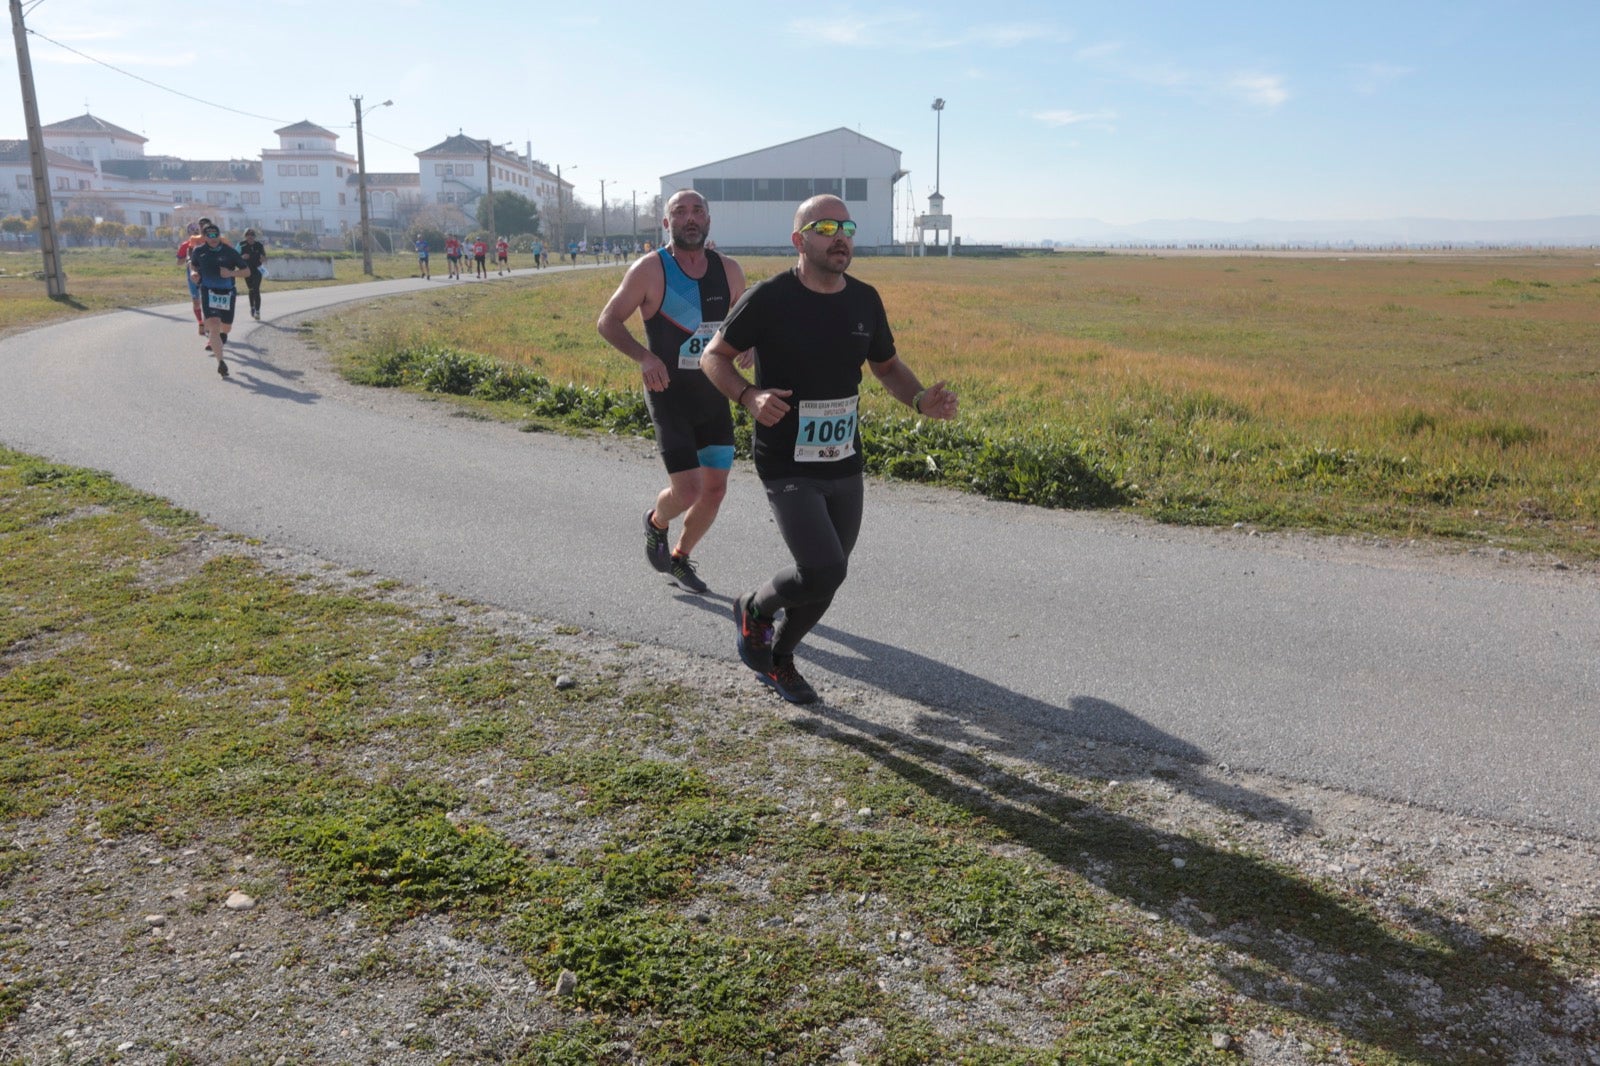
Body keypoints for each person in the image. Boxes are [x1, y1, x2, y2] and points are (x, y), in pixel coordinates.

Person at [701, 195, 958, 704]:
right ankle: (754, 608)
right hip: (784, 457)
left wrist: (919, 398)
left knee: (829, 574)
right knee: (823, 567)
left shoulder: (864, 299)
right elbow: (715, 357)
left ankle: (780, 655)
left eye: (846, 227)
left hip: (844, 457)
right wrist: (748, 395)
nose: (840, 236)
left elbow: (885, 367)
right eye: (825, 226)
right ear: (799, 241)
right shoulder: (769, 297)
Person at [597, 189, 748, 595]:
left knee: (714, 490)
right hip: (668, 394)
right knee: (689, 489)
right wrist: (645, 358)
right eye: (679, 212)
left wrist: (749, 345)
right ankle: (657, 523)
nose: (690, 217)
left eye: (698, 210)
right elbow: (608, 321)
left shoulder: (730, 270)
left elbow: (744, 324)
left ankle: (679, 556)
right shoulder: (650, 269)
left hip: (713, 393)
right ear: (667, 223)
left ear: (709, 219)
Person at [188, 223, 252, 379]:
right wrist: (194, 273)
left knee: (226, 327)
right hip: (208, 291)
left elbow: (247, 271)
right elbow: (193, 265)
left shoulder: (229, 251)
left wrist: (230, 273)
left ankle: (224, 335)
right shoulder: (199, 251)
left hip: (227, 293)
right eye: (209, 235)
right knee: (214, 326)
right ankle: (221, 362)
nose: (213, 238)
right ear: (203, 237)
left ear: (219, 235)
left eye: (215, 234)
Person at [177, 222, 205, 336]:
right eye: (193, 231)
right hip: (192, 274)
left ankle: (208, 322)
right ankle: (200, 322)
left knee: (206, 299)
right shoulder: (185, 245)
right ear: (189, 233)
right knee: (196, 301)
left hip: (205, 274)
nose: (195, 233)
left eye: (197, 231)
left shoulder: (205, 242)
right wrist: (188, 258)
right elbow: (178, 262)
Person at [237, 228, 267, 320]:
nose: (250, 237)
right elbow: (235, 257)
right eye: (248, 235)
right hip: (246, 270)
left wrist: (263, 258)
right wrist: (242, 257)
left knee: (256, 289)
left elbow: (264, 257)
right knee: (251, 289)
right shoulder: (241, 245)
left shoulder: (259, 245)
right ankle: (252, 307)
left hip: (257, 270)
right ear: (245, 236)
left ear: (254, 237)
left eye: (252, 235)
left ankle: (257, 311)